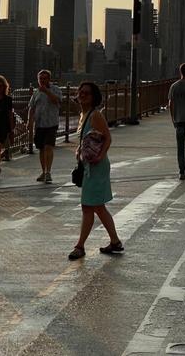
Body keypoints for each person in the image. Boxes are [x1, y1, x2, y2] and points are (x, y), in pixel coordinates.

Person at [68, 81, 123, 260]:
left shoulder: (95, 115)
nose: (82, 95)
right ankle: (114, 241)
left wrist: (100, 156)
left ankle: (80, 246)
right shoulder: (84, 114)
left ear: (94, 97)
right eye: (80, 92)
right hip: (89, 165)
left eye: (86, 93)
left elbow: (108, 138)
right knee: (97, 207)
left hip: (96, 166)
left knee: (89, 206)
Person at [27, 70, 62, 184]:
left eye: (44, 78)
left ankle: (48, 172)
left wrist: (46, 91)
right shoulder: (36, 92)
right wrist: (29, 121)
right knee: (41, 148)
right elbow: (31, 108)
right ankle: (43, 171)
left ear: (49, 79)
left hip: (51, 123)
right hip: (39, 124)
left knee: (48, 147)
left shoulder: (55, 89)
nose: (42, 81)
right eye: (40, 79)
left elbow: (57, 101)